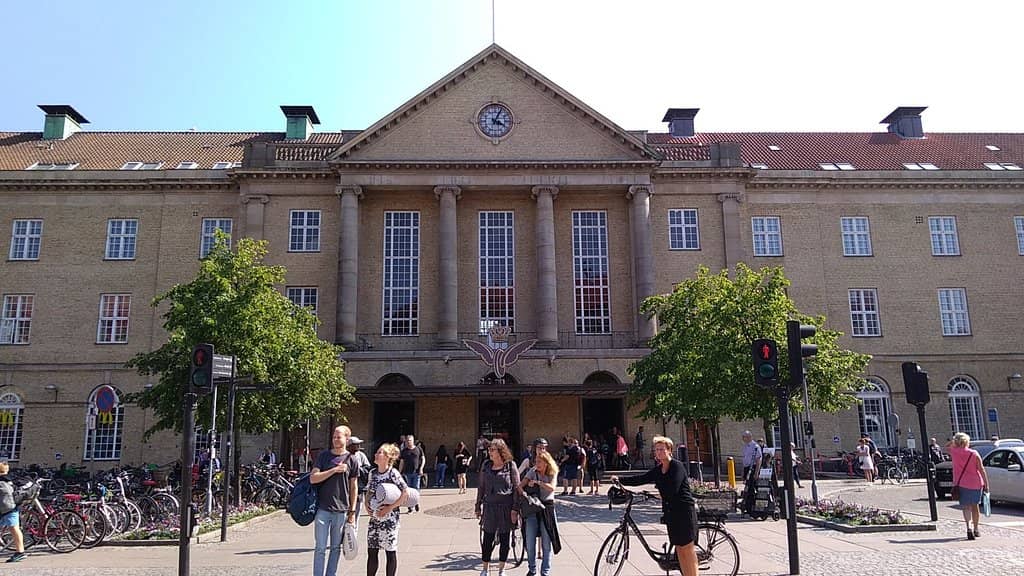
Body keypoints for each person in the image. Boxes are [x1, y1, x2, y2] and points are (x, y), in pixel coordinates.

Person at [611, 436, 698, 576]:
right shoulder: (658, 469)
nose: (659, 452)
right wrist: (620, 480)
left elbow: (672, 489)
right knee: (679, 549)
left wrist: (654, 494)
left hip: (684, 512)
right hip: (671, 513)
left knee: (688, 548)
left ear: (669, 450)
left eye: (662, 449)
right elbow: (641, 478)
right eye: (656, 450)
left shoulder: (677, 466)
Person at [310, 426, 360, 576]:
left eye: (339, 437)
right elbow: (313, 478)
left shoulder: (352, 459)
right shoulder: (324, 456)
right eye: (334, 437)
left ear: (346, 439)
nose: (335, 440)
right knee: (320, 548)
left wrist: (352, 511)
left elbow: (354, 487)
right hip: (323, 509)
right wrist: (334, 470)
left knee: (335, 548)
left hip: (341, 510)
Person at [476, 438, 521, 576]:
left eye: (492, 449)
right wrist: (478, 505)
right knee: (487, 538)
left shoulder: (510, 466)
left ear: (501, 451)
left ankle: (501, 569)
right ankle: (485, 569)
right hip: (489, 507)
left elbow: (516, 488)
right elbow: (481, 486)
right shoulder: (486, 465)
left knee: (504, 539)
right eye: (489, 449)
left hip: (506, 507)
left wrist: (515, 509)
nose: (490, 452)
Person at [365, 443, 408, 576]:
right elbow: (369, 491)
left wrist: (390, 507)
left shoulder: (392, 473)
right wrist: (367, 504)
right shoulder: (372, 473)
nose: (376, 455)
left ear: (387, 457)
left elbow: (405, 492)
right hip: (375, 518)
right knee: (372, 551)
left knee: (390, 551)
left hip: (389, 520)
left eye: (379, 453)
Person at [517, 449, 561, 576]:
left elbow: (552, 487)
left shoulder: (553, 472)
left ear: (546, 463)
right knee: (530, 542)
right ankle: (532, 569)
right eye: (536, 461)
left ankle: (545, 571)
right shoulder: (532, 471)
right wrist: (526, 494)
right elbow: (520, 486)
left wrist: (538, 483)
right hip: (533, 508)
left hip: (547, 508)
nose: (537, 464)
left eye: (539, 462)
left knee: (546, 544)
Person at [949, 432, 990, 540]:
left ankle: (968, 527)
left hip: (961, 483)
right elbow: (981, 469)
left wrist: (955, 441)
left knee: (966, 507)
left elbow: (948, 445)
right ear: (966, 442)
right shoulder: (974, 453)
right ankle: (976, 529)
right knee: (975, 507)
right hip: (975, 483)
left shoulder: (954, 452)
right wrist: (986, 484)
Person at [0, 460, 26, 563]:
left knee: (14, 529)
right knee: (14, 529)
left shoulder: (2, 481)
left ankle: (20, 552)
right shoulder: (9, 479)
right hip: (12, 508)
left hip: (7, 509)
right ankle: (20, 552)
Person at [346, 436, 372, 530]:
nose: (358, 446)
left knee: (355, 516)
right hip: (345, 490)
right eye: (356, 445)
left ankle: (352, 537)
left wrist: (358, 470)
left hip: (359, 489)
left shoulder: (361, 455)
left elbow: (367, 469)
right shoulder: (344, 455)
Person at [398, 435, 425, 512]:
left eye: (410, 440)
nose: (408, 442)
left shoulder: (418, 449)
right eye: (407, 441)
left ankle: (416, 502)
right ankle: (410, 507)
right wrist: (399, 472)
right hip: (407, 473)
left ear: (413, 441)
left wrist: (421, 468)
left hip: (416, 472)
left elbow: (423, 459)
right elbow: (402, 462)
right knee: (408, 490)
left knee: (416, 488)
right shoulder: (404, 451)